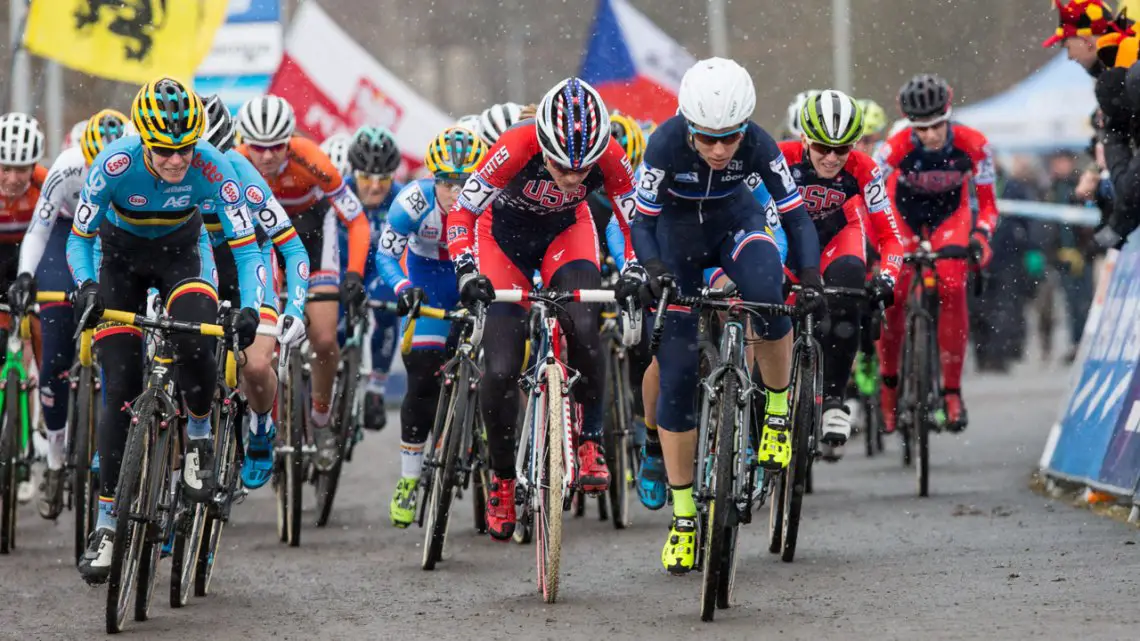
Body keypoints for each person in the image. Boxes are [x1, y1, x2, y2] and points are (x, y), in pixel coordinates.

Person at [630, 58, 821, 574]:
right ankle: (686, 517)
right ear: (689, 126)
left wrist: (810, 276)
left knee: (768, 294)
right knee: (677, 372)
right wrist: (652, 269)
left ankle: (777, 414)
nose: (718, 150)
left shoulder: (759, 144)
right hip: (675, 243)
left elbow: (796, 215)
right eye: (707, 139)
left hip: (735, 226)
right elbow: (641, 222)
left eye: (729, 138)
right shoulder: (665, 144)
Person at [69, 78, 264, 584]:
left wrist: (253, 310)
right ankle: (108, 527)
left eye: (184, 148)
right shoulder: (113, 163)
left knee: (198, 340)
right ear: (143, 140)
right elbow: (78, 240)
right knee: (119, 390)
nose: (177, 160)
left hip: (184, 255)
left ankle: (197, 435)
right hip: (119, 260)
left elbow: (245, 249)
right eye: (164, 150)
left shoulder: (212, 167)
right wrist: (88, 287)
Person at [446, 77, 643, 541]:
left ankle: (591, 439)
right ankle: (502, 479)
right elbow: (463, 213)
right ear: (544, 144)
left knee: (585, 327)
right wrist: (466, 269)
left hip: (565, 234)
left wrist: (636, 268)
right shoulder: (516, 144)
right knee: (498, 369)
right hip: (502, 241)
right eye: (561, 166)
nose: (573, 178)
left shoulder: (610, 154)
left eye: (583, 170)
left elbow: (633, 219)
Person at [236, 95, 369, 471]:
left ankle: (322, 417)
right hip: (262, 241)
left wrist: (355, 274)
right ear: (245, 141)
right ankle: (261, 415)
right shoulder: (236, 160)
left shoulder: (310, 157)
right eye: (257, 146)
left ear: (289, 140)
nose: (265, 156)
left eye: (276, 146)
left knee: (325, 337)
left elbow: (356, 220)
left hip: (310, 231)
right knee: (258, 341)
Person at [11, 109, 128, 518]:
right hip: (66, 235)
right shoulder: (65, 168)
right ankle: (57, 460)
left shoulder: (136, 165)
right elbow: (39, 229)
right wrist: (27, 276)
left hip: (112, 236)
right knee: (55, 352)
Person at [780, 89, 905, 459]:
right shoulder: (780, 159)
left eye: (843, 149)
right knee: (775, 303)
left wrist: (887, 278)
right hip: (785, 239)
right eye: (822, 148)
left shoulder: (864, 167)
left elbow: (890, 236)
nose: (833, 158)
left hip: (838, 235)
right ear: (803, 138)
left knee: (851, 284)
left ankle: (834, 398)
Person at [873, 74, 997, 434]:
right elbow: (870, 200)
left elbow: (988, 207)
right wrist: (876, 244)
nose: (930, 135)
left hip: (950, 216)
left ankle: (952, 392)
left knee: (952, 285)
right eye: (921, 128)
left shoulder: (975, 145)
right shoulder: (892, 149)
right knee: (893, 295)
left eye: (937, 126)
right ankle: (889, 388)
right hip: (903, 214)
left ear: (949, 113)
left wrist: (980, 238)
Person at [377, 126, 487, 527]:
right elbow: (386, 256)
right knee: (423, 373)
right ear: (433, 178)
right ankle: (409, 479)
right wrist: (404, 287)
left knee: (499, 362)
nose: (456, 192)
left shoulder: (491, 201)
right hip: (429, 283)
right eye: (446, 182)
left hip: (472, 279)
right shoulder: (412, 201)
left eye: (465, 182)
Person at [200, 94, 310, 490]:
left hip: (251, 266)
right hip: (197, 268)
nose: (202, 167)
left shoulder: (243, 174)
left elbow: (292, 247)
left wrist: (294, 308)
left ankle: (262, 427)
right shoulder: (167, 172)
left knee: (256, 364)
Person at [338, 126, 404, 431]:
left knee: (388, 308)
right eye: (366, 178)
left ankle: (376, 389)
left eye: (383, 180)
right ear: (354, 173)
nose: (375, 188)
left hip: (380, 268)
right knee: (333, 322)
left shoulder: (402, 197)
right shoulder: (339, 191)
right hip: (343, 264)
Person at [0, 112, 47, 505]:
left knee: (40, 337)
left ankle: (41, 418)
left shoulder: (45, 185)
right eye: (5, 168)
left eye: (21, 169)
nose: (14, 178)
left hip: (32, 267)